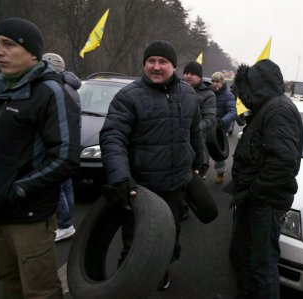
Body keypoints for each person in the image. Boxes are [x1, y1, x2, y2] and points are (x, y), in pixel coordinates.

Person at [99, 40, 205, 291]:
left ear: (173, 66)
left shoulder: (189, 94)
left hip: (176, 186)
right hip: (141, 189)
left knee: (169, 236)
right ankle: (127, 285)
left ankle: (161, 269)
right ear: (145, 64)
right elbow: (112, 138)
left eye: (162, 62)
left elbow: (195, 132)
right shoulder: (128, 96)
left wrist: (201, 159)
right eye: (151, 61)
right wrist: (121, 178)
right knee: (135, 241)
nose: (156, 67)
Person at [0, 17, 80, 298]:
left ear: (32, 53)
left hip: (29, 216)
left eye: (8, 44)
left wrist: (17, 190)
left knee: (39, 292)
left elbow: (65, 157)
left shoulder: (49, 91)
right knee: (8, 285)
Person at [230, 59, 303, 299]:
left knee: (262, 265)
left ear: (257, 86)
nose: (243, 97)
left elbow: (283, 163)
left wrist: (254, 192)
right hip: (255, 200)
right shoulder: (267, 107)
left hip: (265, 203)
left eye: (246, 90)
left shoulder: (278, 110)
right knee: (243, 255)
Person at [42, 52, 82, 242]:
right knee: (66, 185)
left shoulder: (59, 88)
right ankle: (67, 222)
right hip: (68, 143)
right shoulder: (71, 86)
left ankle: (65, 224)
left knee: (56, 186)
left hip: (57, 144)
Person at [183, 61, 216, 177]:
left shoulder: (208, 95)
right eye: (186, 73)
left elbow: (210, 119)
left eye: (192, 74)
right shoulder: (176, 89)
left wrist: (192, 128)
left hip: (196, 141)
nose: (188, 76)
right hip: (176, 140)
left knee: (194, 177)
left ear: (200, 77)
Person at [211, 71, 236, 183]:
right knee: (202, 151)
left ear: (222, 82)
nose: (215, 84)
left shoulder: (228, 95)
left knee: (218, 153)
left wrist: (222, 121)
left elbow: (232, 112)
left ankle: (220, 172)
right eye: (213, 81)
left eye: (217, 81)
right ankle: (200, 171)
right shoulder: (209, 93)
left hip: (220, 130)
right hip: (207, 127)